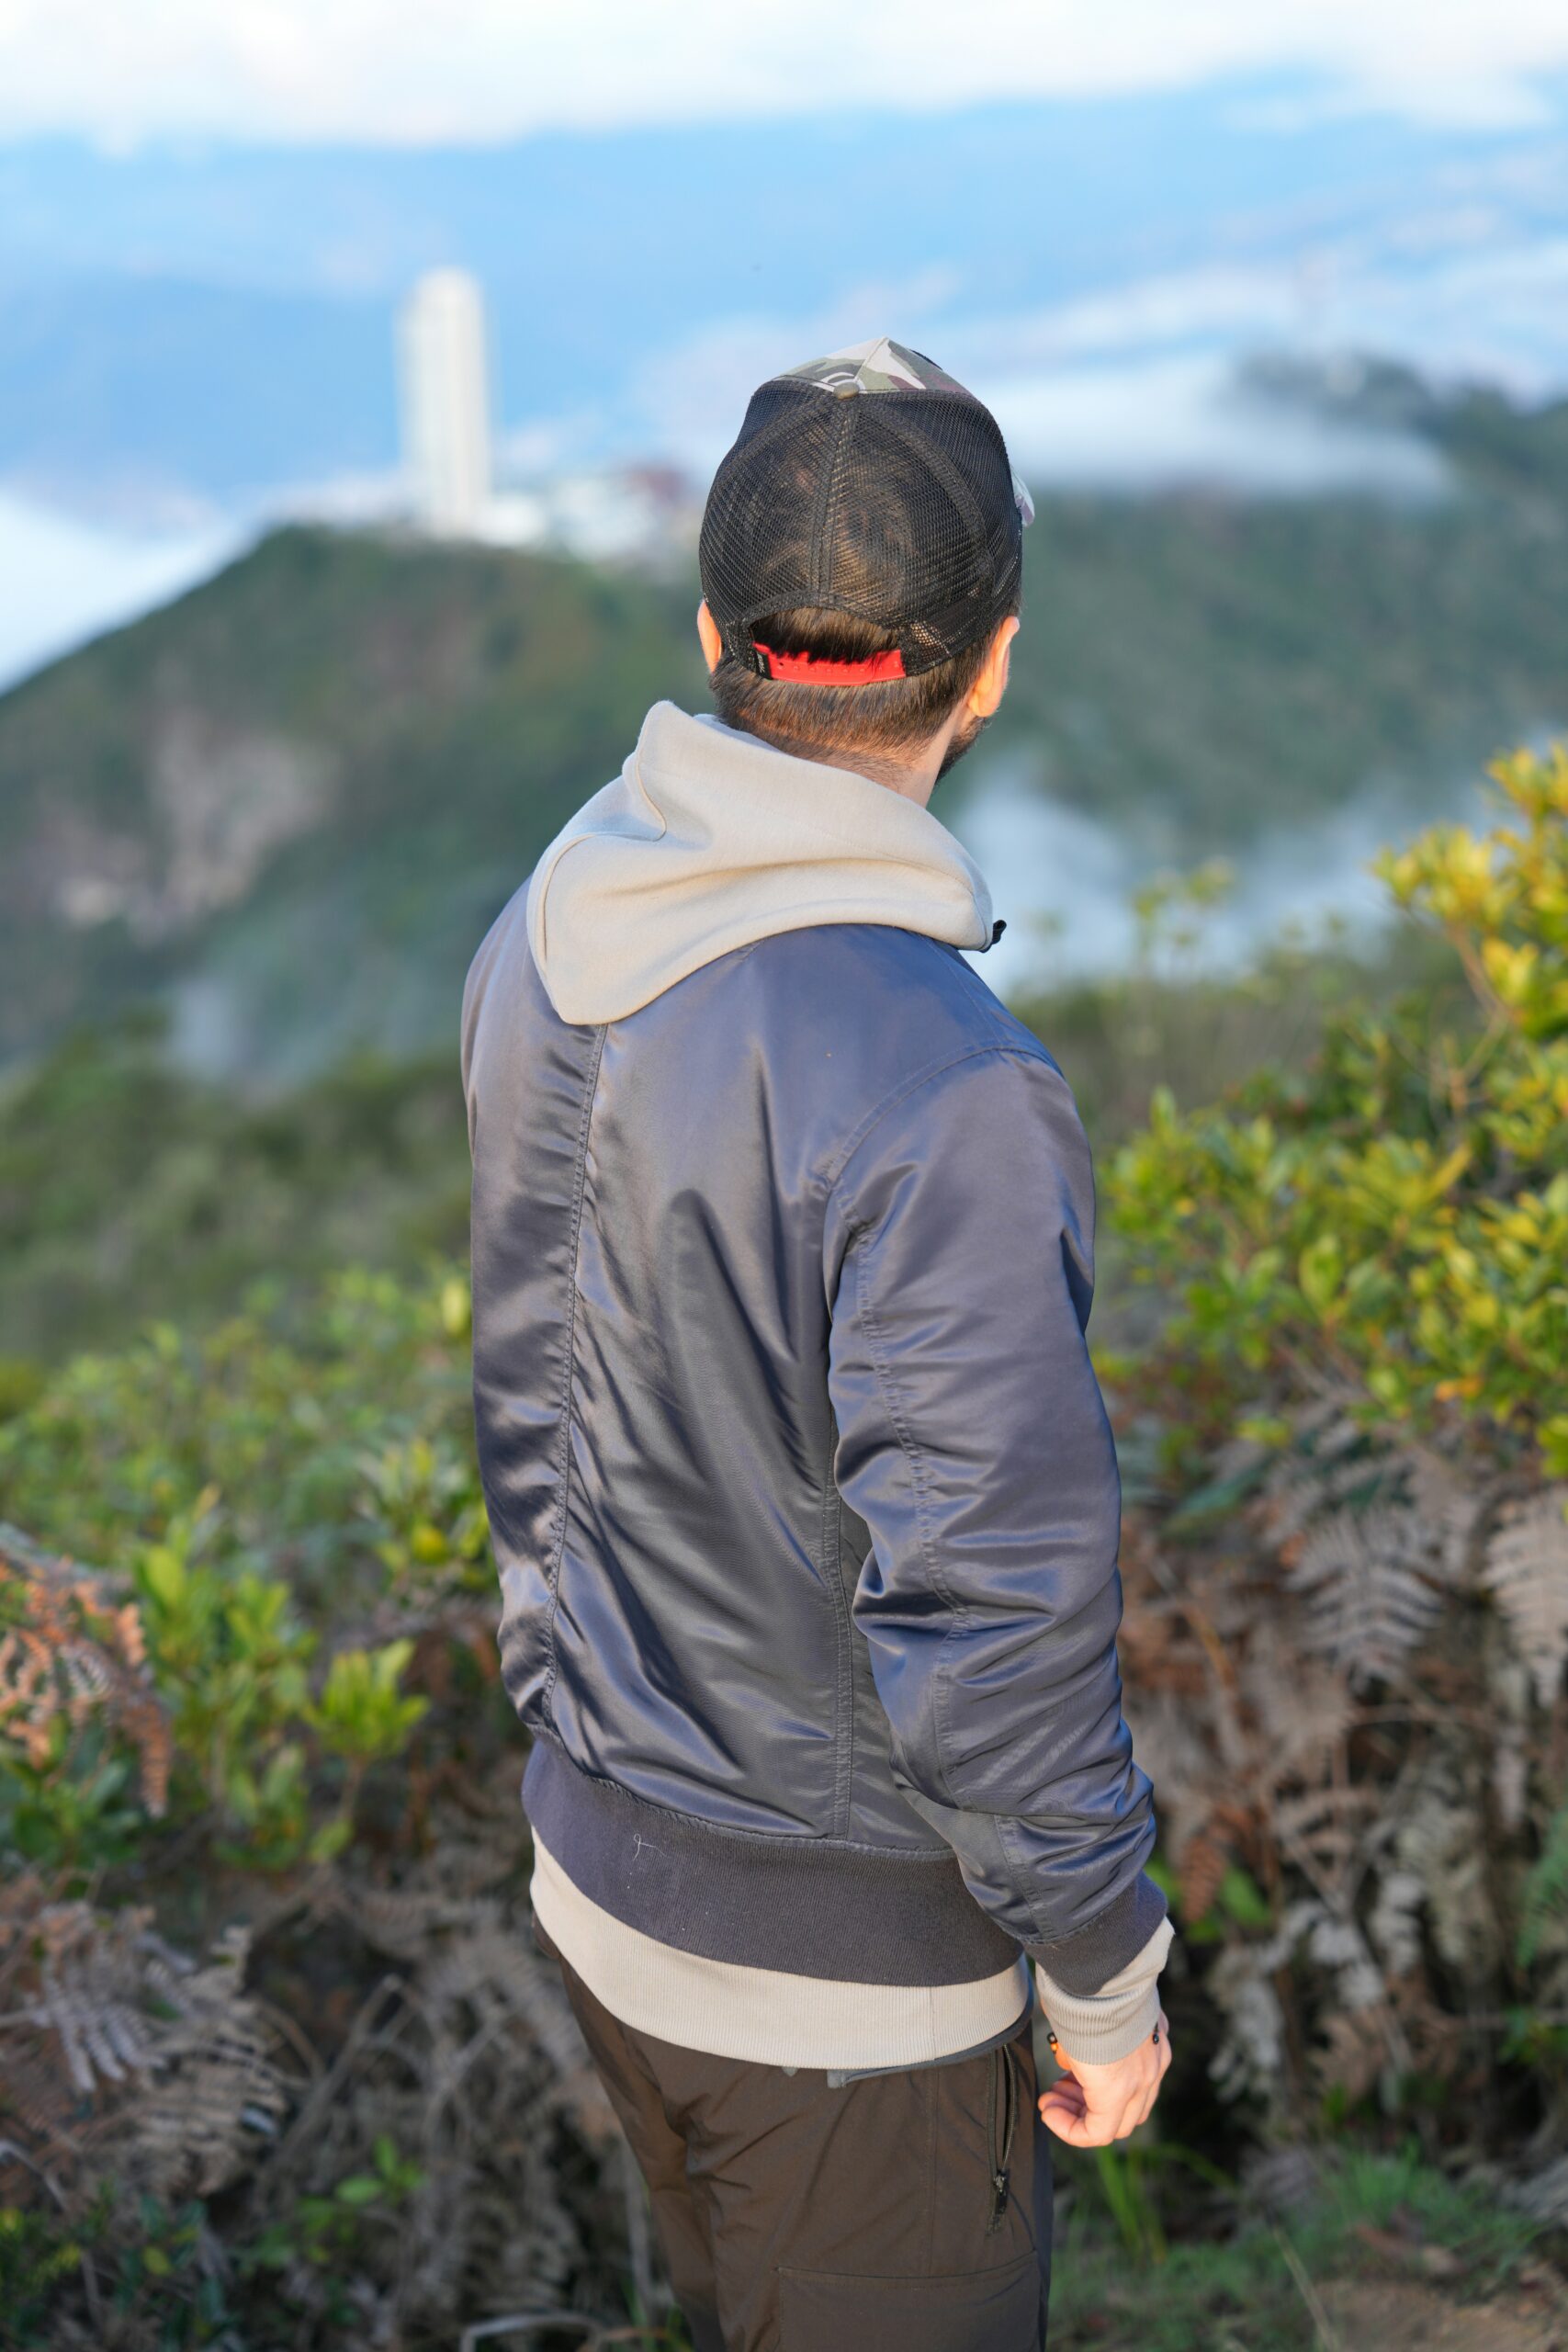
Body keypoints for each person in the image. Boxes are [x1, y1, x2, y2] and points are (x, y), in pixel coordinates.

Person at [462, 335, 1171, 2352]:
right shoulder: (941, 1080)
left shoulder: (544, 931)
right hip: (844, 1987)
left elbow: (538, 1402)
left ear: (713, 633)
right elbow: (990, 1615)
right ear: (992, 659)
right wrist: (1105, 1981)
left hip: (601, 1874)